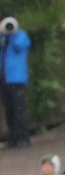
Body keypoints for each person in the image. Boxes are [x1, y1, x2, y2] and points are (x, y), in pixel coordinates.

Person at [0, 15, 31, 148]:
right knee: (9, 110)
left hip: (16, 78)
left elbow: (20, 46)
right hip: (4, 78)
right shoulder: (1, 37)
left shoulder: (21, 35)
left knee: (19, 110)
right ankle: (13, 138)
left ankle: (24, 138)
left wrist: (11, 36)